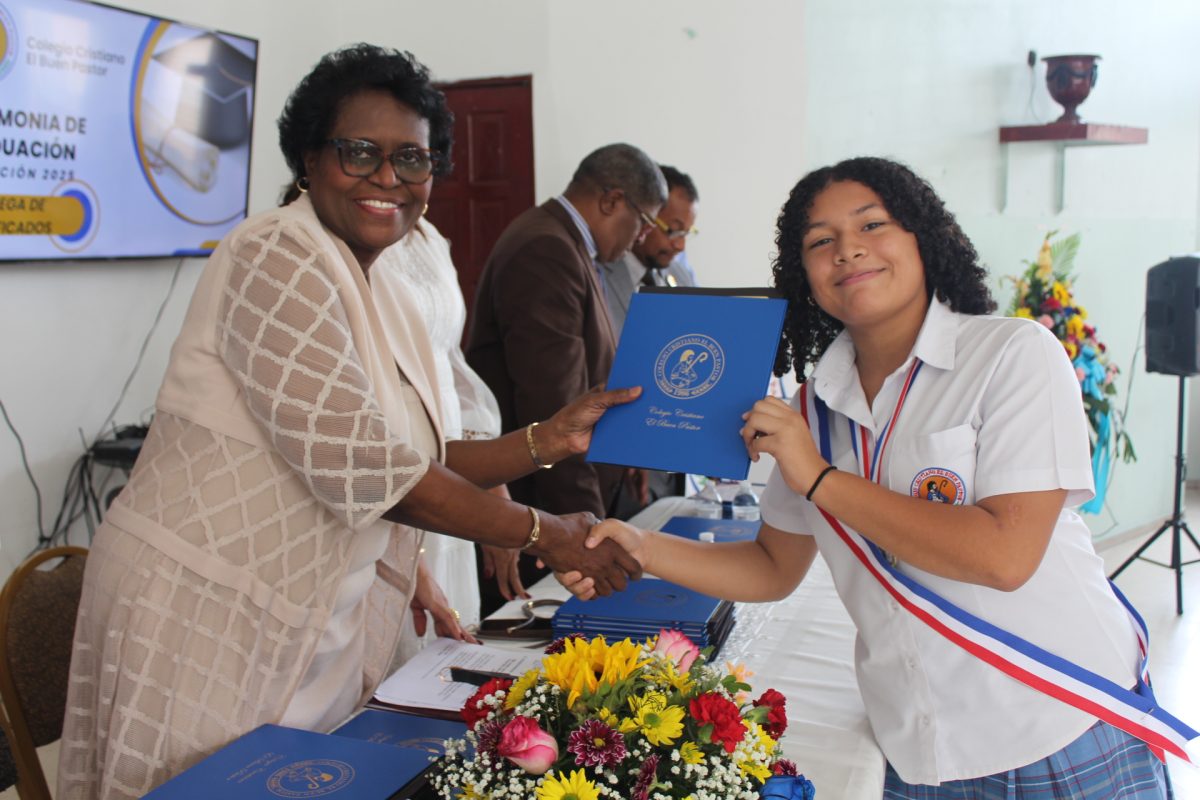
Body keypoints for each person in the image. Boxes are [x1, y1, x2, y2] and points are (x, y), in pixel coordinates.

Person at [57, 44, 640, 800]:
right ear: (310, 158)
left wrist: (548, 440)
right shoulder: (275, 253)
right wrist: (546, 532)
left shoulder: (380, 277)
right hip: (202, 602)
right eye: (359, 152)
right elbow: (373, 470)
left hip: (306, 606)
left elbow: (418, 452)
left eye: (411, 159)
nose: (387, 177)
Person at [565, 157, 1185, 798]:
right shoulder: (814, 408)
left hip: (1055, 722)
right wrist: (643, 548)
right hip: (916, 749)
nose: (848, 250)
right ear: (803, 274)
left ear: (924, 237)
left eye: (872, 225)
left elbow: (1005, 556)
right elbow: (772, 568)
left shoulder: (1011, 356)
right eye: (820, 241)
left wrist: (820, 478)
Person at [466, 143, 666, 613]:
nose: (642, 237)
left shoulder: (565, 243)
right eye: (643, 221)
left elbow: (591, 369)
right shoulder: (546, 249)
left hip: (556, 501)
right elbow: (553, 408)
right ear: (611, 201)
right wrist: (586, 535)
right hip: (537, 507)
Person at [599, 164, 700, 335]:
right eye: (673, 231)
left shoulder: (682, 276)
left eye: (686, 233)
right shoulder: (598, 271)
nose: (680, 246)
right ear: (646, 216)